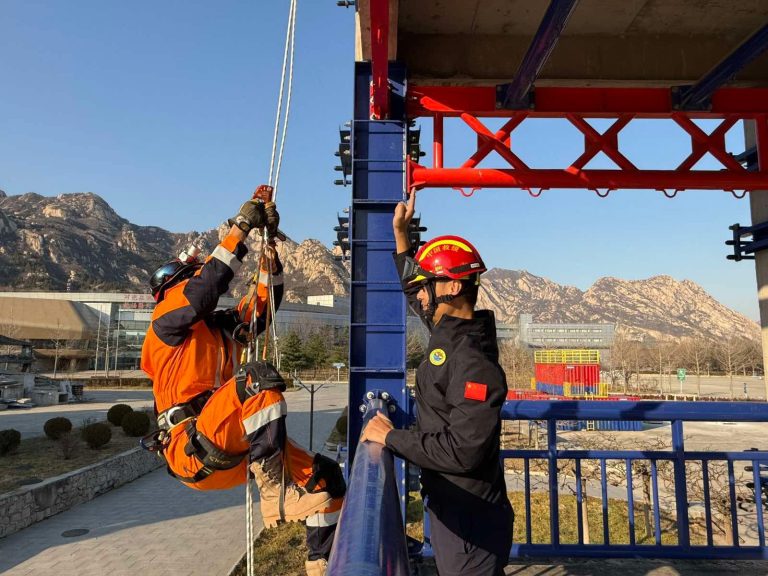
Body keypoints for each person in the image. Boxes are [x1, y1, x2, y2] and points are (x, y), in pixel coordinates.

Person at [140, 190, 344, 576]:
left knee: (326, 478)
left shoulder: (217, 329)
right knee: (255, 379)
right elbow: (204, 290)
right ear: (173, 289)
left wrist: (269, 248)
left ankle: (321, 562)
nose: (204, 282)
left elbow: (263, 309)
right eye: (193, 277)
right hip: (190, 444)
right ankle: (275, 493)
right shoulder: (165, 324)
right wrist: (240, 229)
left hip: (229, 447)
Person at [361, 192, 513, 576]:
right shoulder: (450, 333)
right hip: (453, 511)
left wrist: (391, 437)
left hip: (471, 526)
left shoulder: (474, 363)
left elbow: (464, 452)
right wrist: (401, 234)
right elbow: (415, 289)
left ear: (451, 288)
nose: (421, 292)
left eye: (430, 283)